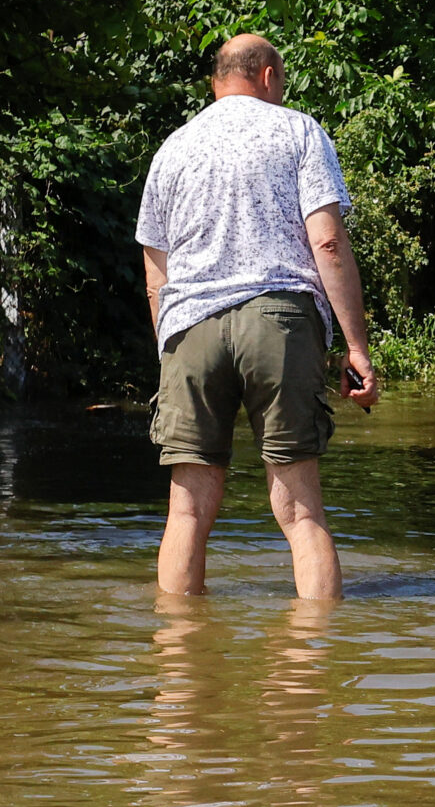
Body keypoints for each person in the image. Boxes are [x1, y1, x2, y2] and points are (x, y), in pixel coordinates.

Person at [136, 33, 378, 600]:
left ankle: (178, 673)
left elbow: (155, 271)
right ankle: (312, 670)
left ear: (217, 80)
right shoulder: (297, 130)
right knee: (300, 512)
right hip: (280, 321)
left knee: (187, 512)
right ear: (268, 76)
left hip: (190, 327)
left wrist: (171, 354)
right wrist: (357, 347)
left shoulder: (173, 147)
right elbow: (329, 244)